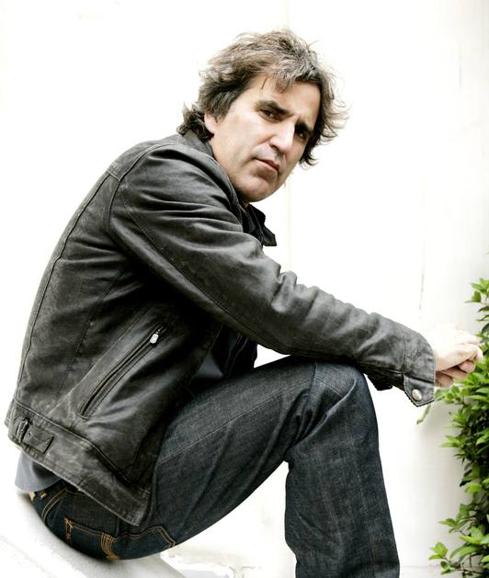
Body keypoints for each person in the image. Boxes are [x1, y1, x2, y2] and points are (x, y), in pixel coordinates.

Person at [5, 30, 482, 577]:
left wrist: (398, 357)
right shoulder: (160, 176)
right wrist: (412, 351)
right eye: (270, 113)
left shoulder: (228, 218)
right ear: (213, 112)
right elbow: (275, 305)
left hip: (122, 471)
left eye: (300, 131)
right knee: (327, 391)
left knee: (328, 384)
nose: (284, 142)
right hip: (84, 489)